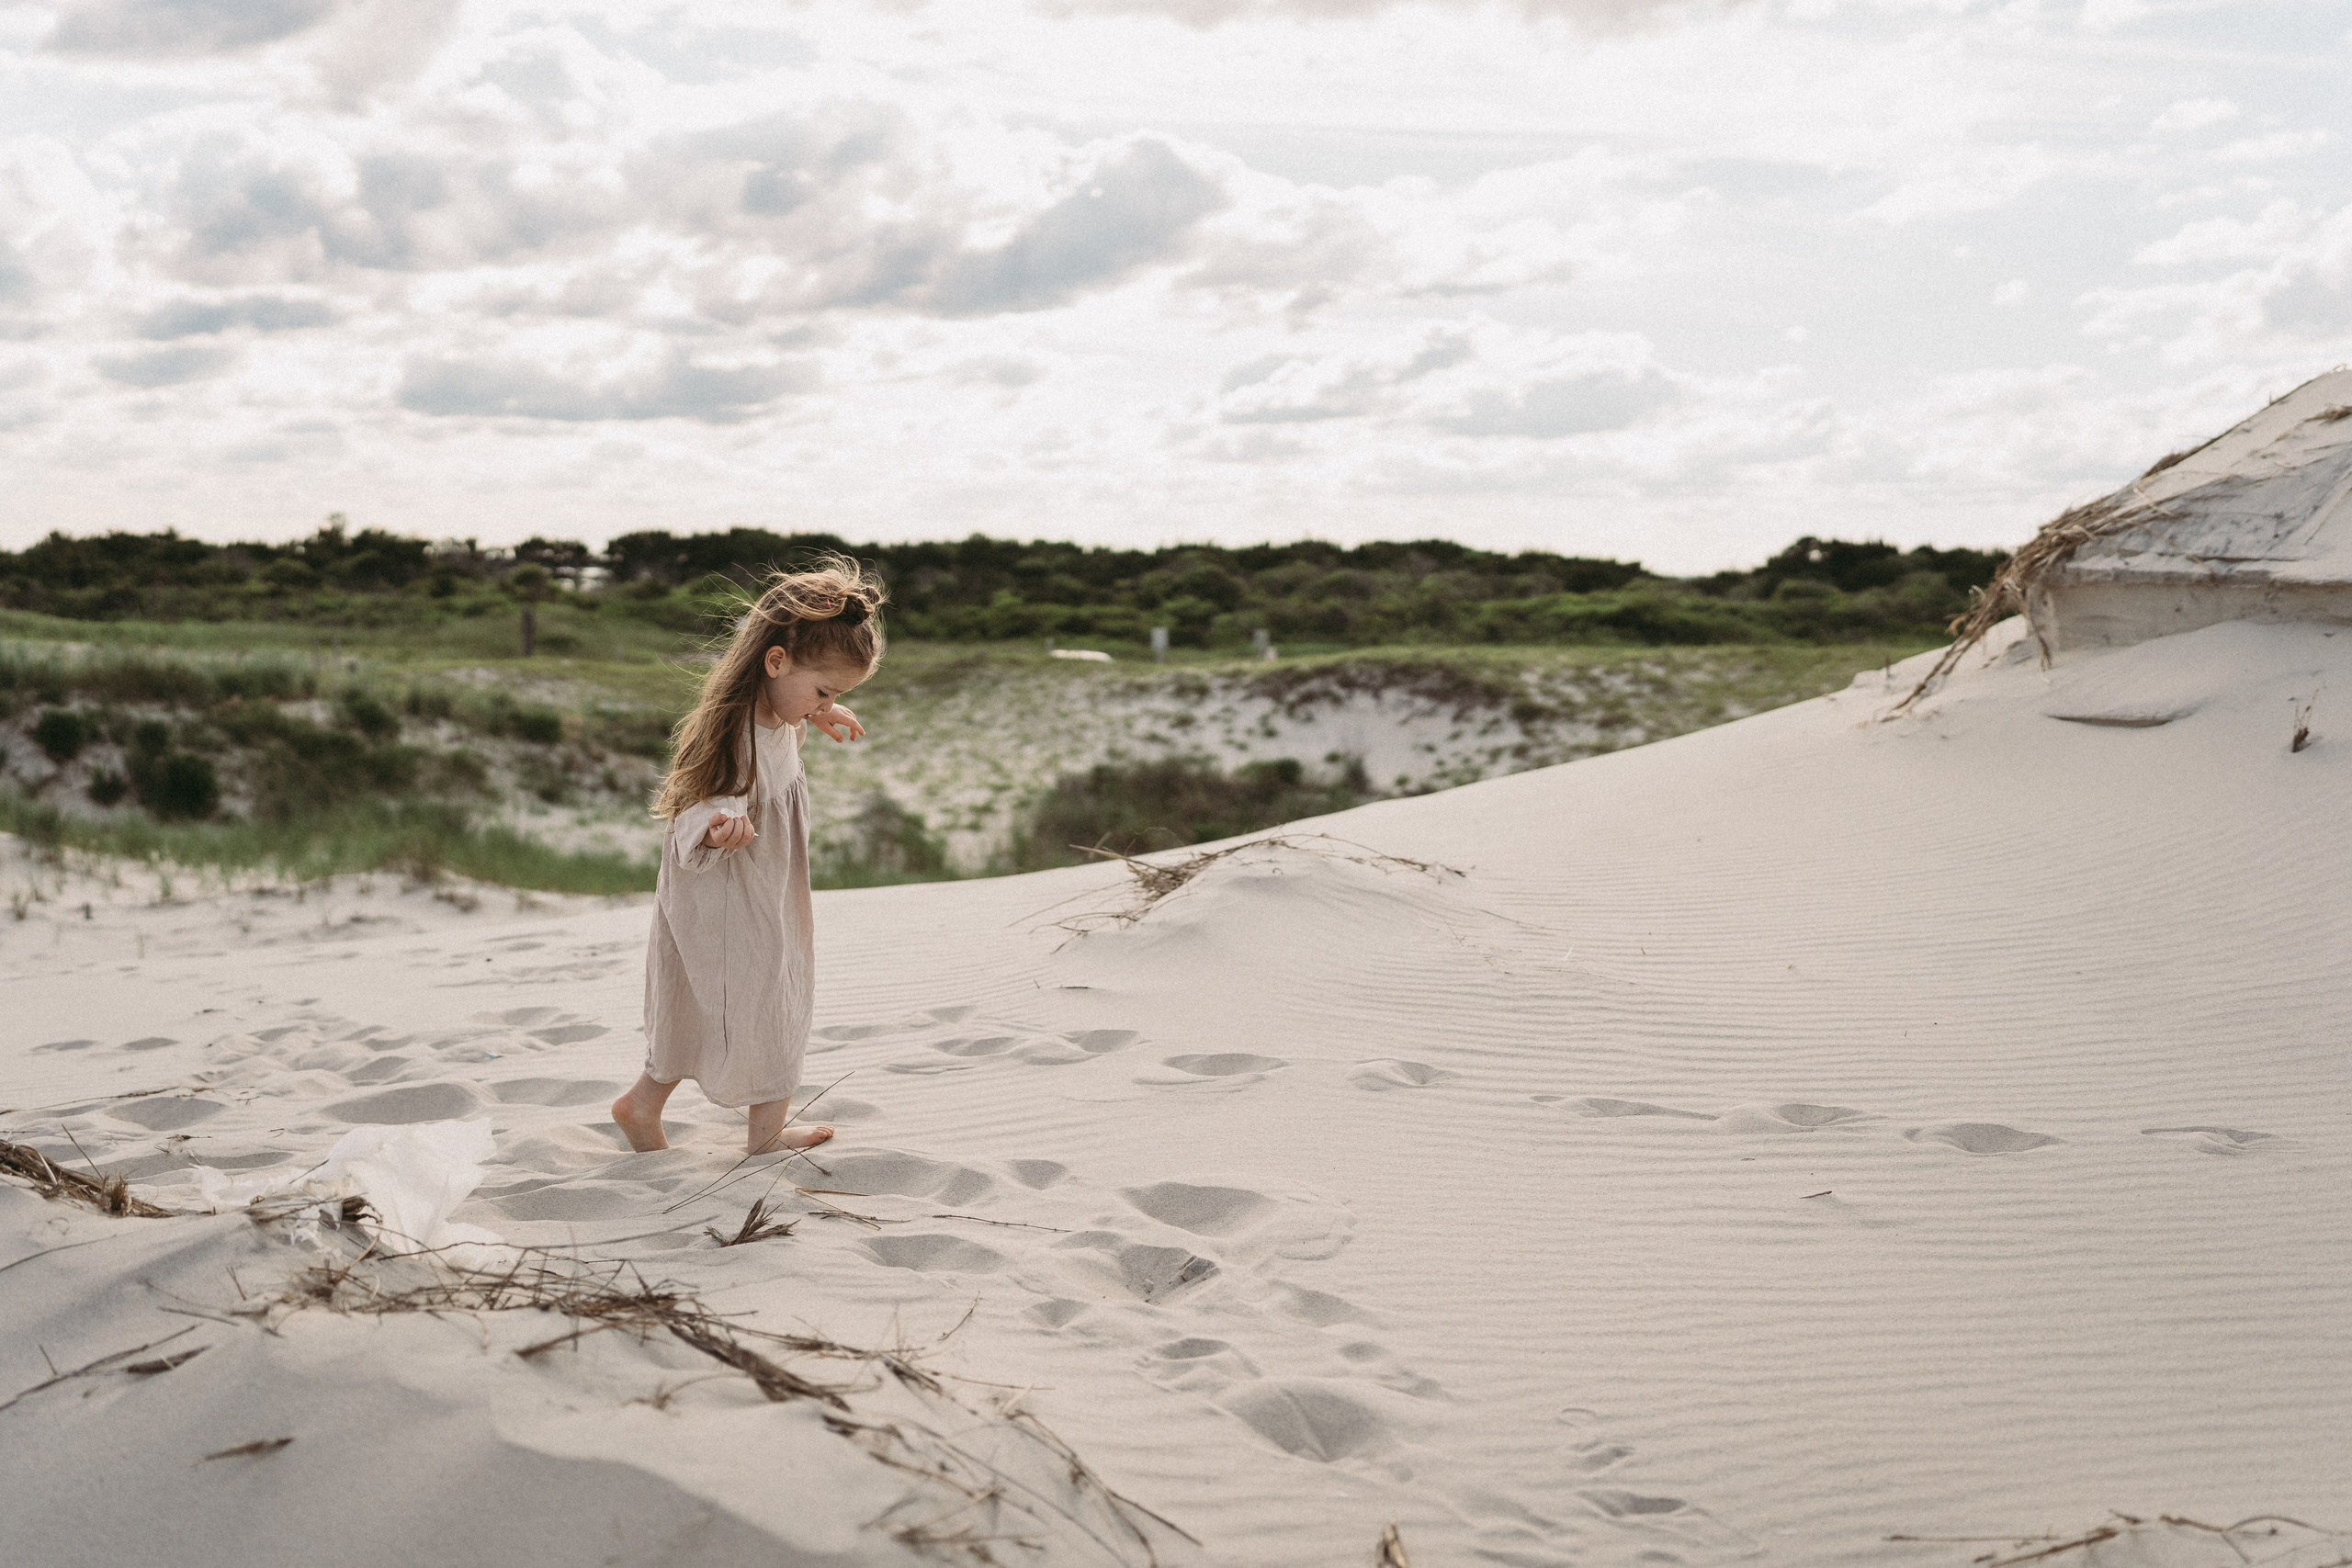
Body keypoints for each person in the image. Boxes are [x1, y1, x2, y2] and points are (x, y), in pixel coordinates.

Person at [611, 559, 883, 1157]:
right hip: (730, 894)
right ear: (776, 661)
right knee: (762, 998)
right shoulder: (735, 733)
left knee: (751, 995)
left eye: (838, 695)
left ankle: (657, 1108)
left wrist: (816, 710)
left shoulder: (777, 710)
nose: (828, 702)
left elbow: (788, 724)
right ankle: (741, 1132)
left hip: (763, 886)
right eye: (824, 690)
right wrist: (716, 832)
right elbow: (698, 810)